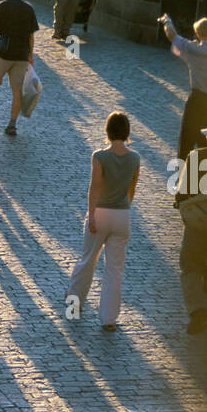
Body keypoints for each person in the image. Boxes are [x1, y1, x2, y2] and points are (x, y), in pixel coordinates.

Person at [65, 111, 140, 331]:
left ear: (107, 131)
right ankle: (109, 319)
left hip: (101, 213)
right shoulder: (135, 158)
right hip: (122, 215)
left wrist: (91, 214)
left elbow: (95, 187)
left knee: (87, 260)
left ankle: (74, 304)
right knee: (114, 269)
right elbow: (131, 189)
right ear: (127, 133)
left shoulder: (99, 156)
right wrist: (125, 207)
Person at [0, 0, 39, 137]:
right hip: (21, 55)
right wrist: (30, 55)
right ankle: (12, 124)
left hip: (2, 54)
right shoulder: (29, 8)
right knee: (17, 90)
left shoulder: (3, 6)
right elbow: (31, 36)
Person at [161, 14, 207, 161]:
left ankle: (183, 177)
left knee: (187, 138)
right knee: (205, 141)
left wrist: (167, 20)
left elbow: (172, 36)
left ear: (198, 34)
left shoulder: (194, 50)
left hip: (198, 99)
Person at [174, 141, 207, 335]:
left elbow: (182, 194)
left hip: (197, 222)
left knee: (190, 266)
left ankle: (197, 311)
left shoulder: (196, 157)